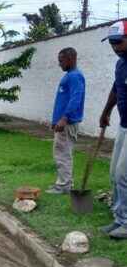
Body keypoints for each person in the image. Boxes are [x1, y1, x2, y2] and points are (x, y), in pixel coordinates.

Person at [99, 20, 127, 239]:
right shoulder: (121, 64)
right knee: (113, 174)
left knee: (123, 174)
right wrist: (106, 111)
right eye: (111, 43)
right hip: (123, 125)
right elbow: (116, 89)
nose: (115, 47)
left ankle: (126, 222)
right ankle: (118, 218)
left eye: (118, 42)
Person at [46, 47, 86, 195]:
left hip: (67, 123)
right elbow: (62, 100)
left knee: (63, 154)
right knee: (61, 153)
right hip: (62, 122)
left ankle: (64, 186)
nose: (59, 64)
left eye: (61, 61)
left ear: (70, 59)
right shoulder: (70, 75)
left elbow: (76, 98)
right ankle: (63, 183)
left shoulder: (75, 76)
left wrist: (64, 118)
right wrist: (55, 120)